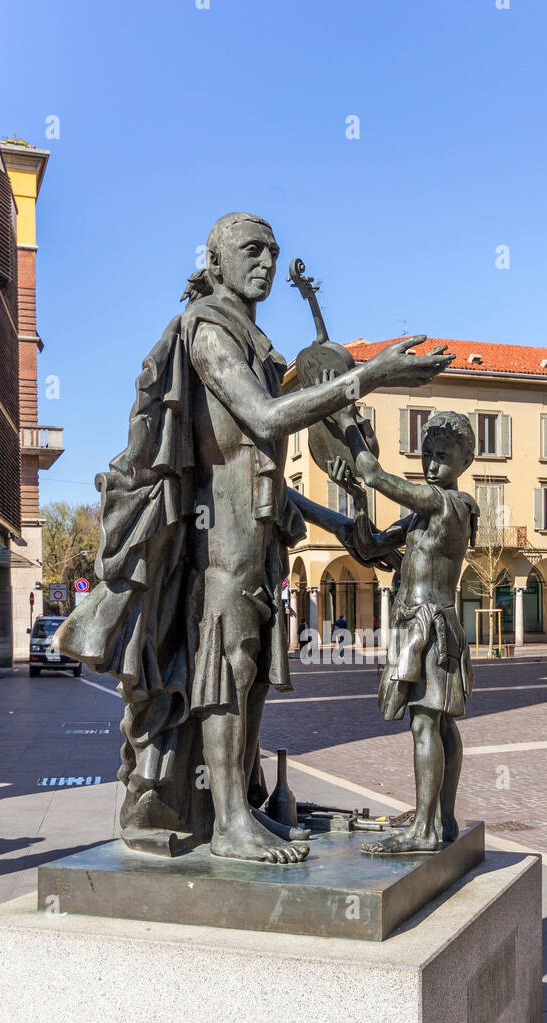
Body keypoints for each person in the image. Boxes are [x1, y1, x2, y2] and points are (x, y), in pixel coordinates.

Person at [55, 212, 451, 863]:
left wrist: (345, 531)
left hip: (261, 543)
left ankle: (231, 807)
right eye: (252, 250)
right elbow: (264, 418)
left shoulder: (258, 348)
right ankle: (230, 821)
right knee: (227, 669)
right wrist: (370, 376)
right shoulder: (209, 332)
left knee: (255, 677)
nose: (267, 261)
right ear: (215, 263)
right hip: (221, 544)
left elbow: (269, 471)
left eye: (273, 250)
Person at [340, 409, 478, 854]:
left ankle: (423, 830)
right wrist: (354, 500)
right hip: (422, 623)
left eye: (443, 456)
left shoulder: (445, 503)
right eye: (428, 454)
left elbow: (376, 474)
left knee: (426, 723)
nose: (432, 464)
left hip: (428, 624)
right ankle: (442, 818)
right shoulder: (425, 513)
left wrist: (347, 422)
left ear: (465, 461)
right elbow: (371, 546)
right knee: (441, 724)